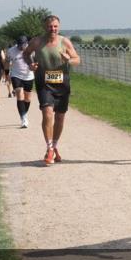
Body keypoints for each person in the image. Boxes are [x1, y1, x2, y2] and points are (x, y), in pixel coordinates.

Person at [24, 15, 81, 166]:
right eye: (50, 26)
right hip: (44, 83)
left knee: (60, 117)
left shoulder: (64, 42)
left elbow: (77, 60)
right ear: (45, 27)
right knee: (47, 113)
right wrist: (31, 64)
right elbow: (25, 54)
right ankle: (49, 148)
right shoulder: (36, 42)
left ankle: (54, 146)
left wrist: (68, 59)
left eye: (55, 26)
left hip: (62, 83)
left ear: (59, 27)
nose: (53, 29)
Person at [6, 35, 35, 128]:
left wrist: (35, 67)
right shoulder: (11, 51)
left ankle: (24, 114)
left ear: (27, 43)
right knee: (19, 94)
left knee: (28, 99)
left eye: (23, 45)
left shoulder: (32, 50)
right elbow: (6, 62)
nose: (21, 48)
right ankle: (23, 119)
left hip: (29, 76)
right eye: (19, 46)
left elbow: (36, 62)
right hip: (16, 75)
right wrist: (7, 74)